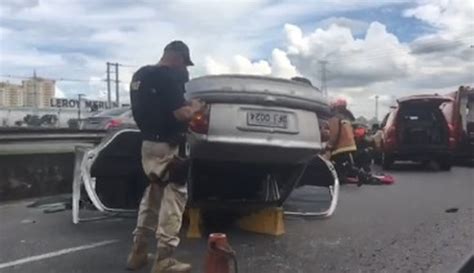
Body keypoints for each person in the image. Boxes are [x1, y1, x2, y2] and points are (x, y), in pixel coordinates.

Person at [127, 41, 202, 273]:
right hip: (168, 148)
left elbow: (158, 106)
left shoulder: (140, 74)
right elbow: (181, 113)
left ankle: (137, 253)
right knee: (175, 197)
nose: (184, 70)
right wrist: (197, 107)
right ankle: (164, 259)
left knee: (152, 196)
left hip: (148, 145)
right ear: (178, 57)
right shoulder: (168, 77)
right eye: (184, 63)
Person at [324, 98, 359, 185]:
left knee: (335, 162)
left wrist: (329, 145)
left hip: (341, 146)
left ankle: (350, 175)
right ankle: (351, 174)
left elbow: (333, 133)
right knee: (342, 163)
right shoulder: (346, 116)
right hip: (350, 143)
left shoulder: (334, 118)